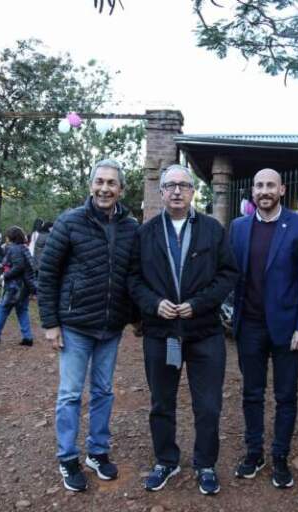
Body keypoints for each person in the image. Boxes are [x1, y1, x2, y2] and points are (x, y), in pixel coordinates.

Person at [128, 164, 238, 496]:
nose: (177, 191)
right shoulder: (144, 233)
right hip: (161, 333)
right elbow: (132, 279)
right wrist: (153, 303)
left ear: (193, 192)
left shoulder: (212, 229)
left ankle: (205, 464)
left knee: (208, 405)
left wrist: (200, 303)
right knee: (162, 402)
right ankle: (166, 460)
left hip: (204, 332)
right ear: (161, 192)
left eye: (184, 185)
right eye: (170, 186)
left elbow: (228, 274)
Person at [37, 159, 140, 492]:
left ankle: (97, 451)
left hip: (111, 326)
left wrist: (137, 317)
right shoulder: (70, 221)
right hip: (76, 325)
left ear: (121, 190)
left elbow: (133, 276)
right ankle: (68, 457)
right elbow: (48, 274)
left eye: (112, 183)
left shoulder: (131, 227)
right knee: (69, 395)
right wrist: (51, 323)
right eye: (99, 181)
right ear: (91, 185)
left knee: (103, 392)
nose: (105, 188)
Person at [229, 168, 298, 488]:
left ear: (281, 190)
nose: (264, 190)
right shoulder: (238, 228)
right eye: (259, 185)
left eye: (270, 185)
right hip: (249, 326)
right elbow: (231, 276)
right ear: (253, 191)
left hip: (287, 329)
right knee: (252, 394)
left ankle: (280, 456)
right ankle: (254, 453)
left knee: (286, 396)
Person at [0, 226, 36, 348]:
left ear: (11, 237)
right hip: (23, 286)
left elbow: (19, 266)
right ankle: (27, 337)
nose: (6, 238)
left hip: (14, 286)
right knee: (22, 310)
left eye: (7, 236)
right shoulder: (23, 248)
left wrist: (5, 275)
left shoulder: (14, 249)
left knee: (2, 309)